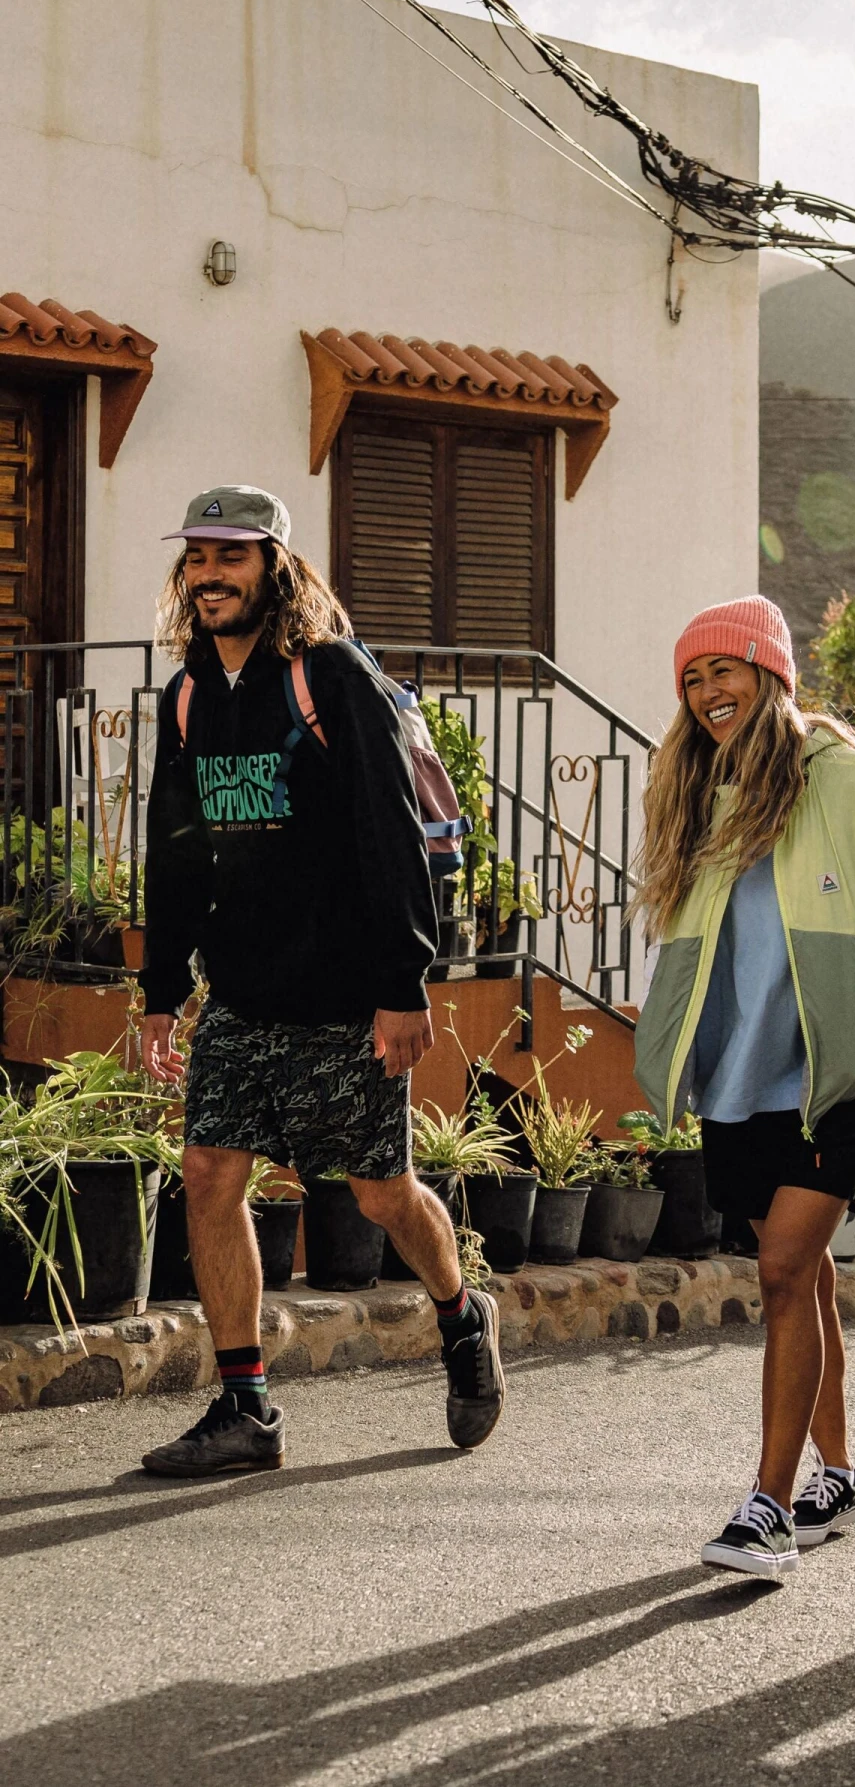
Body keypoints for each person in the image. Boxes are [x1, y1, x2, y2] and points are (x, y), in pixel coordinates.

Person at [138, 486, 504, 1476]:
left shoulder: (331, 675)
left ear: (275, 567)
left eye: (232, 556)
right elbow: (175, 851)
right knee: (209, 1175)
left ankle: (462, 1316)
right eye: (198, 558)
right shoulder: (188, 695)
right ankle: (245, 1407)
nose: (210, 575)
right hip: (242, 995)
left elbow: (391, 829)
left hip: (344, 994)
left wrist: (403, 981)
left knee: (381, 1194)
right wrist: (162, 990)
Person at [633, 595, 855, 1580]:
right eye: (692, 679)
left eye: (723, 670)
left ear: (769, 673)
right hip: (744, 1068)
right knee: (801, 1276)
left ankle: (768, 1507)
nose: (708, 693)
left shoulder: (852, 781)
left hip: (841, 1069)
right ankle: (836, 1474)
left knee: (780, 1270)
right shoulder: (697, 791)